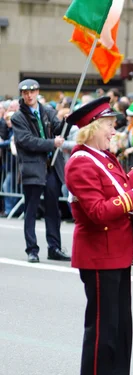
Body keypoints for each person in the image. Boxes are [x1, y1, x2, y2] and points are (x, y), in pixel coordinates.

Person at [64, 97, 133, 375]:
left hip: (116, 251)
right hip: (98, 253)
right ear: (91, 128)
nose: (113, 131)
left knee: (120, 326)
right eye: (108, 125)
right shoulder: (80, 162)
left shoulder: (104, 158)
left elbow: (114, 191)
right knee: (102, 329)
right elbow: (98, 211)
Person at [11, 79, 71, 263]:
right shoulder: (17, 117)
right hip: (33, 168)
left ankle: (54, 247)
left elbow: (60, 130)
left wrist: (67, 121)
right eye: (25, 92)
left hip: (52, 166)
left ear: (38, 92)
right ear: (22, 94)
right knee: (31, 209)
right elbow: (26, 141)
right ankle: (32, 249)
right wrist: (51, 143)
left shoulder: (48, 111)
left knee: (53, 210)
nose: (29, 95)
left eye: (32, 92)